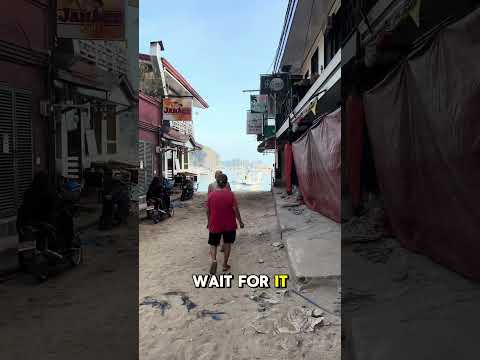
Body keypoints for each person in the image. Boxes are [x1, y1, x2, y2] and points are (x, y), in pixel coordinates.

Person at [206, 174, 244, 274]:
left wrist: (208, 222)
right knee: (227, 243)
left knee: (213, 244)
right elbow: (235, 209)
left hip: (215, 223)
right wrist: (240, 222)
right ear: (226, 183)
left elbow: (207, 211)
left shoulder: (211, 195)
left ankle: (214, 260)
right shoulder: (231, 194)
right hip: (229, 224)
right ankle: (225, 264)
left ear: (216, 182)